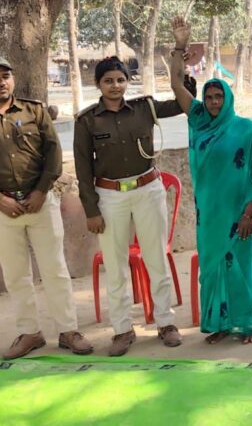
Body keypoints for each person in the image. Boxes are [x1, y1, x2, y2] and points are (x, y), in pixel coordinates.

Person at [0, 56, 93, 359]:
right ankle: (30, 333)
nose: (1, 82)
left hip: (40, 204)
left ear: (13, 79)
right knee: (16, 275)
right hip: (1, 208)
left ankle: (68, 330)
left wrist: (41, 191)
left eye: (5, 75)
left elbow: (53, 154)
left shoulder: (35, 111)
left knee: (55, 269)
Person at [74, 56, 184, 356]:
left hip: (148, 190)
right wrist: (91, 210)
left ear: (127, 81)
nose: (115, 86)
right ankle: (122, 329)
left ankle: (165, 323)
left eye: (120, 80)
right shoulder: (87, 121)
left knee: (156, 259)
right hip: (110, 196)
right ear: (98, 84)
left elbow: (182, 102)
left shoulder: (145, 108)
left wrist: (179, 58)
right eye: (108, 81)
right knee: (116, 267)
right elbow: (83, 169)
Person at [170, 17, 252, 344]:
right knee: (211, 268)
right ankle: (220, 324)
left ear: (227, 99)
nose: (213, 102)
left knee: (239, 265)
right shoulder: (198, 121)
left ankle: (247, 324)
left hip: (238, 212)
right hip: (209, 213)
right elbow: (176, 86)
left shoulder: (245, 129)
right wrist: (179, 46)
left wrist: (250, 211)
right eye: (209, 97)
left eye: (218, 97)